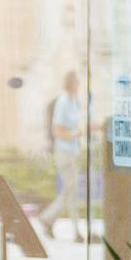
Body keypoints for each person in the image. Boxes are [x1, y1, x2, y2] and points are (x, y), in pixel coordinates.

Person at [34, 72, 89, 242]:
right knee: (71, 190)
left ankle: (48, 219)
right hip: (64, 152)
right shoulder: (64, 102)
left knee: (69, 191)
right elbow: (57, 130)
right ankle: (75, 230)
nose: (78, 85)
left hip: (74, 152)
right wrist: (74, 134)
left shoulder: (75, 102)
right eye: (76, 82)